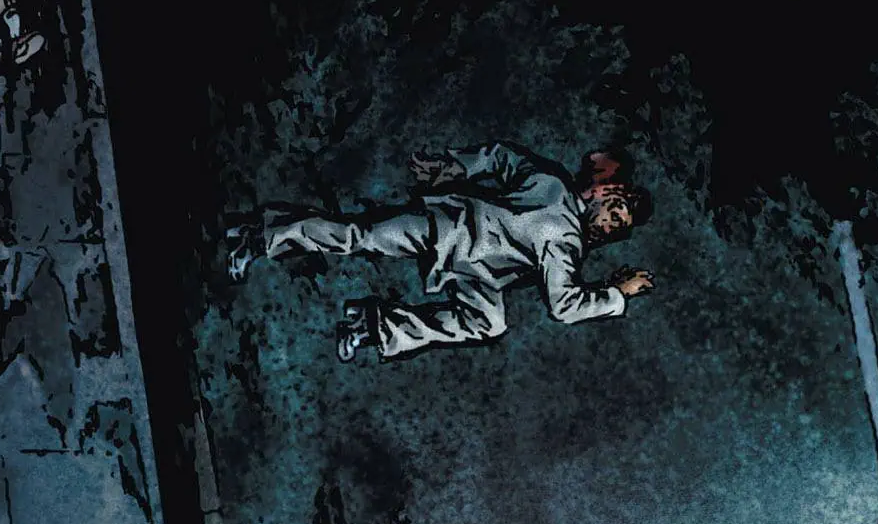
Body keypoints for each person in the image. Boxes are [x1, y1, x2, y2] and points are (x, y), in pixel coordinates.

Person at [230, 144, 654, 362]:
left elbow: (502, 157)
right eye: (615, 212)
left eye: (619, 228)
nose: (611, 225)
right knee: (361, 235)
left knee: (489, 322)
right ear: (602, 192)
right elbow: (564, 305)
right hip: (447, 228)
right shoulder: (561, 219)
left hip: (478, 273)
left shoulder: (563, 218)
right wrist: (617, 294)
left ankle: (372, 325)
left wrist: (459, 166)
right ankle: (262, 235)